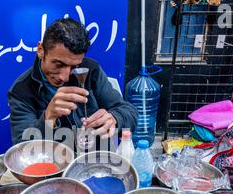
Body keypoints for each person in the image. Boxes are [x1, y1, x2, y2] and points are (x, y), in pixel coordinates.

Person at [8, 18, 138, 147]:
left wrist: (114, 118)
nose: (64, 77)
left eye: (74, 67)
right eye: (59, 64)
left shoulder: (90, 71)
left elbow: (129, 112)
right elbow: (22, 149)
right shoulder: (21, 91)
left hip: (95, 159)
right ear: (40, 50)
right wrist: (48, 118)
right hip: (55, 163)